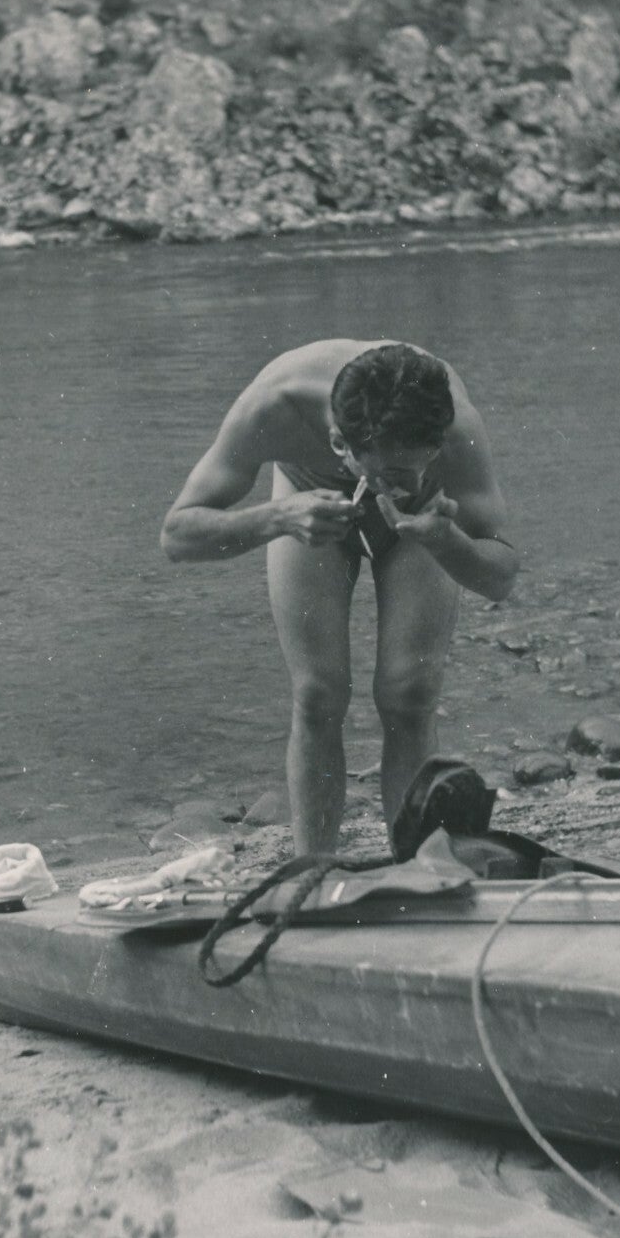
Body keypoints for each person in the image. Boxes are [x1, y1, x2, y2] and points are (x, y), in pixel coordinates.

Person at [160, 340, 517, 859]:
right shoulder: (274, 405)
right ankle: (313, 870)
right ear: (338, 442)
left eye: (416, 466)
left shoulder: (456, 424)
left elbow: (502, 578)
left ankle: (415, 870)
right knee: (318, 694)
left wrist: (446, 540)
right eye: (386, 474)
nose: (402, 483)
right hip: (304, 503)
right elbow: (176, 536)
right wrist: (278, 518)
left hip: (423, 524)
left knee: (410, 693)